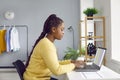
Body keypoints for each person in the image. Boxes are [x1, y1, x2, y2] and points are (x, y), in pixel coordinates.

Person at [23, 14, 84, 80]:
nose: (63, 32)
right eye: (62, 29)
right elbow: (57, 70)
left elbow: (55, 64)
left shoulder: (46, 42)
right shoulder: (46, 45)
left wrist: (71, 62)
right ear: (54, 29)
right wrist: (74, 65)